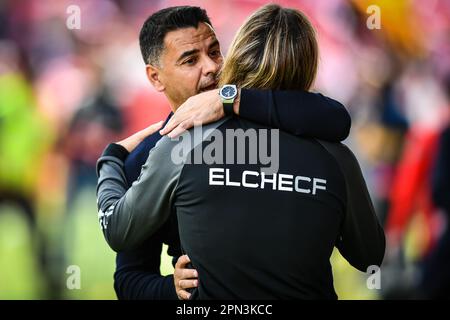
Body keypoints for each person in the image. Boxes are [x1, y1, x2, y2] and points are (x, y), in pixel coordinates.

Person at [98, 5, 355, 300]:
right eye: (190, 60)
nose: (210, 67)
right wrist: (170, 289)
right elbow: (128, 280)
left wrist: (229, 98)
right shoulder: (149, 154)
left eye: (215, 51)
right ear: (156, 78)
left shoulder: (261, 113)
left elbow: (336, 118)